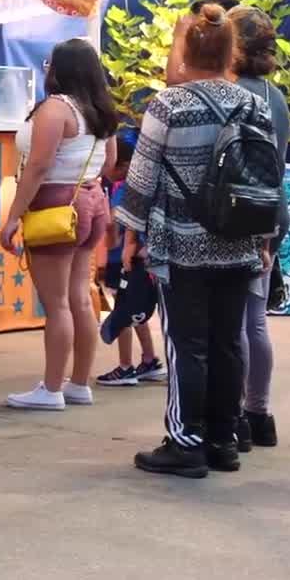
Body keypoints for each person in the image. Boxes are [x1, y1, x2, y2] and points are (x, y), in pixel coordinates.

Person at [117, 3, 275, 478]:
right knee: (228, 341)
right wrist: (265, 241)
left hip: (182, 243)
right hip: (239, 242)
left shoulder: (168, 105)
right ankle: (223, 441)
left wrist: (130, 236)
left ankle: (185, 443)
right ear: (231, 52)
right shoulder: (255, 104)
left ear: (186, 51)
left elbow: (141, 180)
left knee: (187, 343)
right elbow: (266, 178)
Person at [1, 39, 118, 410]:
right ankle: (78, 383)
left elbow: (38, 166)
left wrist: (13, 216)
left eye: (49, 61)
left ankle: (51, 389)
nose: (45, 67)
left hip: (56, 204)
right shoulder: (101, 110)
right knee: (81, 298)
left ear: (60, 69)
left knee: (57, 305)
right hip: (92, 200)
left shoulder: (56, 109)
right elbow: (110, 161)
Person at [229, 5, 290, 449]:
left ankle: (234, 417)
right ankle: (259, 412)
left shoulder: (229, 93)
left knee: (234, 325)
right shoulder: (276, 97)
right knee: (256, 320)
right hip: (270, 214)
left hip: (236, 216)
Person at [95, 129, 165, 387]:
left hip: (122, 258)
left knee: (121, 312)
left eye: (108, 164)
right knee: (135, 310)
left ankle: (125, 366)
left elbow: (114, 222)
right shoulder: (137, 185)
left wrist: (110, 243)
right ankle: (149, 359)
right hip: (136, 257)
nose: (104, 170)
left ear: (123, 165)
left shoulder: (124, 188)